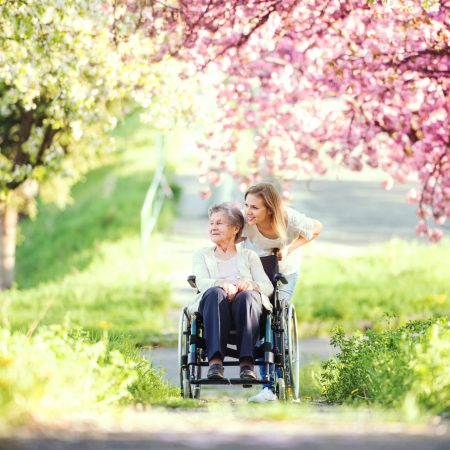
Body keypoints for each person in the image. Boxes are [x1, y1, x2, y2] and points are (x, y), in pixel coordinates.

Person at [241, 182, 322, 403]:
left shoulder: (288, 218)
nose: (248, 211)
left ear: (270, 209)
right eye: (246, 205)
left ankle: (282, 382)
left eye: (255, 208)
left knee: (276, 322)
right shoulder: (244, 220)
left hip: (284, 273)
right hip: (256, 274)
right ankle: (267, 387)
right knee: (256, 320)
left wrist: (289, 248)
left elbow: (316, 228)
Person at [191, 203, 274, 380]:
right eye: (211, 223)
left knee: (248, 296)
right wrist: (220, 283)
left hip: (245, 307)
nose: (213, 227)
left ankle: (246, 365)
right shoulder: (202, 255)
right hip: (214, 305)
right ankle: (215, 364)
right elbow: (201, 281)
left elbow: (268, 287)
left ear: (235, 228)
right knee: (215, 293)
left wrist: (251, 284)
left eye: (219, 223)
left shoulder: (249, 256)